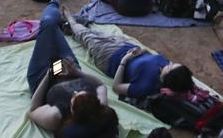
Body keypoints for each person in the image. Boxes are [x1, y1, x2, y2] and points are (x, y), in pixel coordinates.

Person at [26, 0, 119, 138]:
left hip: (43, 75)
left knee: (48, 24)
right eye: (81, 91)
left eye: (75, 96)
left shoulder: (55, 116)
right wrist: (77, 73)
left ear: (72, 110)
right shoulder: (101, 106)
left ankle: (54, 2)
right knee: (52, 27)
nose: (75, 91)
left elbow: (33, 110)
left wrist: (48, 75)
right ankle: (63, 20)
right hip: (71, 69)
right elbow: (100, 85)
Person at [63, 7, 193, 99]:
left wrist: (124, 61)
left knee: (86, 36)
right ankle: (71, 28)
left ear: (168, 77)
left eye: (171, 67)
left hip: (109, 58)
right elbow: (150, 54)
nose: (169, 63)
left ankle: (70, 20)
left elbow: (116, 87)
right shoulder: (165, 66)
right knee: (96, 33)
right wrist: (143, 50)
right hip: (124, 46)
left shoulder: (146, 86)